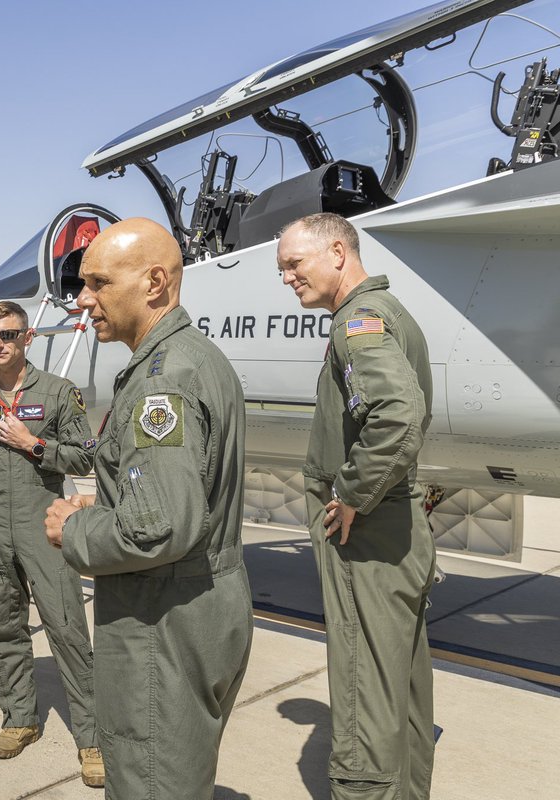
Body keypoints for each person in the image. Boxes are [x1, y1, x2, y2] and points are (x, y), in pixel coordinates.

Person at [44, 218, 252, 799]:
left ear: (155, 282)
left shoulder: (165, 382)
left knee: (151, 782)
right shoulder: (193, 357)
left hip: (163, 621)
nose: (83, 301)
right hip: (198, 604)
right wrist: (112, 500)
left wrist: (79, 528)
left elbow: (158, 528)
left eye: (98, 283)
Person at [276, 212, 435, 800]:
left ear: (338, 253)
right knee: (402, 692)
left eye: (295, 264)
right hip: (396, 525)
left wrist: (349, 494)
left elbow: (396, 414)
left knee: (364, 689)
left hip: (364, 535)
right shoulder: (390, 315)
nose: (287, 278)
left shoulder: (356, 324)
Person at [0, 300, 102, 786]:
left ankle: (93, 737)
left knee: (67, 629)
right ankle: (19, 718)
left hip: (44, 521)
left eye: (8, 335)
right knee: (2, 627)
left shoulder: (59, 393)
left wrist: (32, 444)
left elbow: (85, 458)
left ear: (28, 337)